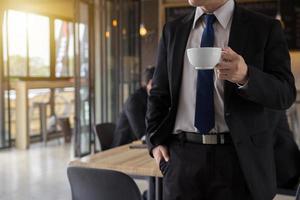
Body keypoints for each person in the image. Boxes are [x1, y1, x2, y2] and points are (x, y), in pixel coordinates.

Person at [146, 0, 296, 200]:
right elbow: (159, 94)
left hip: (240, 162)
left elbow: (285, 94)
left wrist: (246, 76)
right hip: (182, 160)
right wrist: (154, 143)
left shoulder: (264, 28)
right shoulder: (173, 30)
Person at [111, 66, 155, 147]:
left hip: (138, 146)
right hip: (123, 147)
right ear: (150, 83)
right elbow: (142, 134)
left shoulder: (151, 99)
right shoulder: (134, 100)